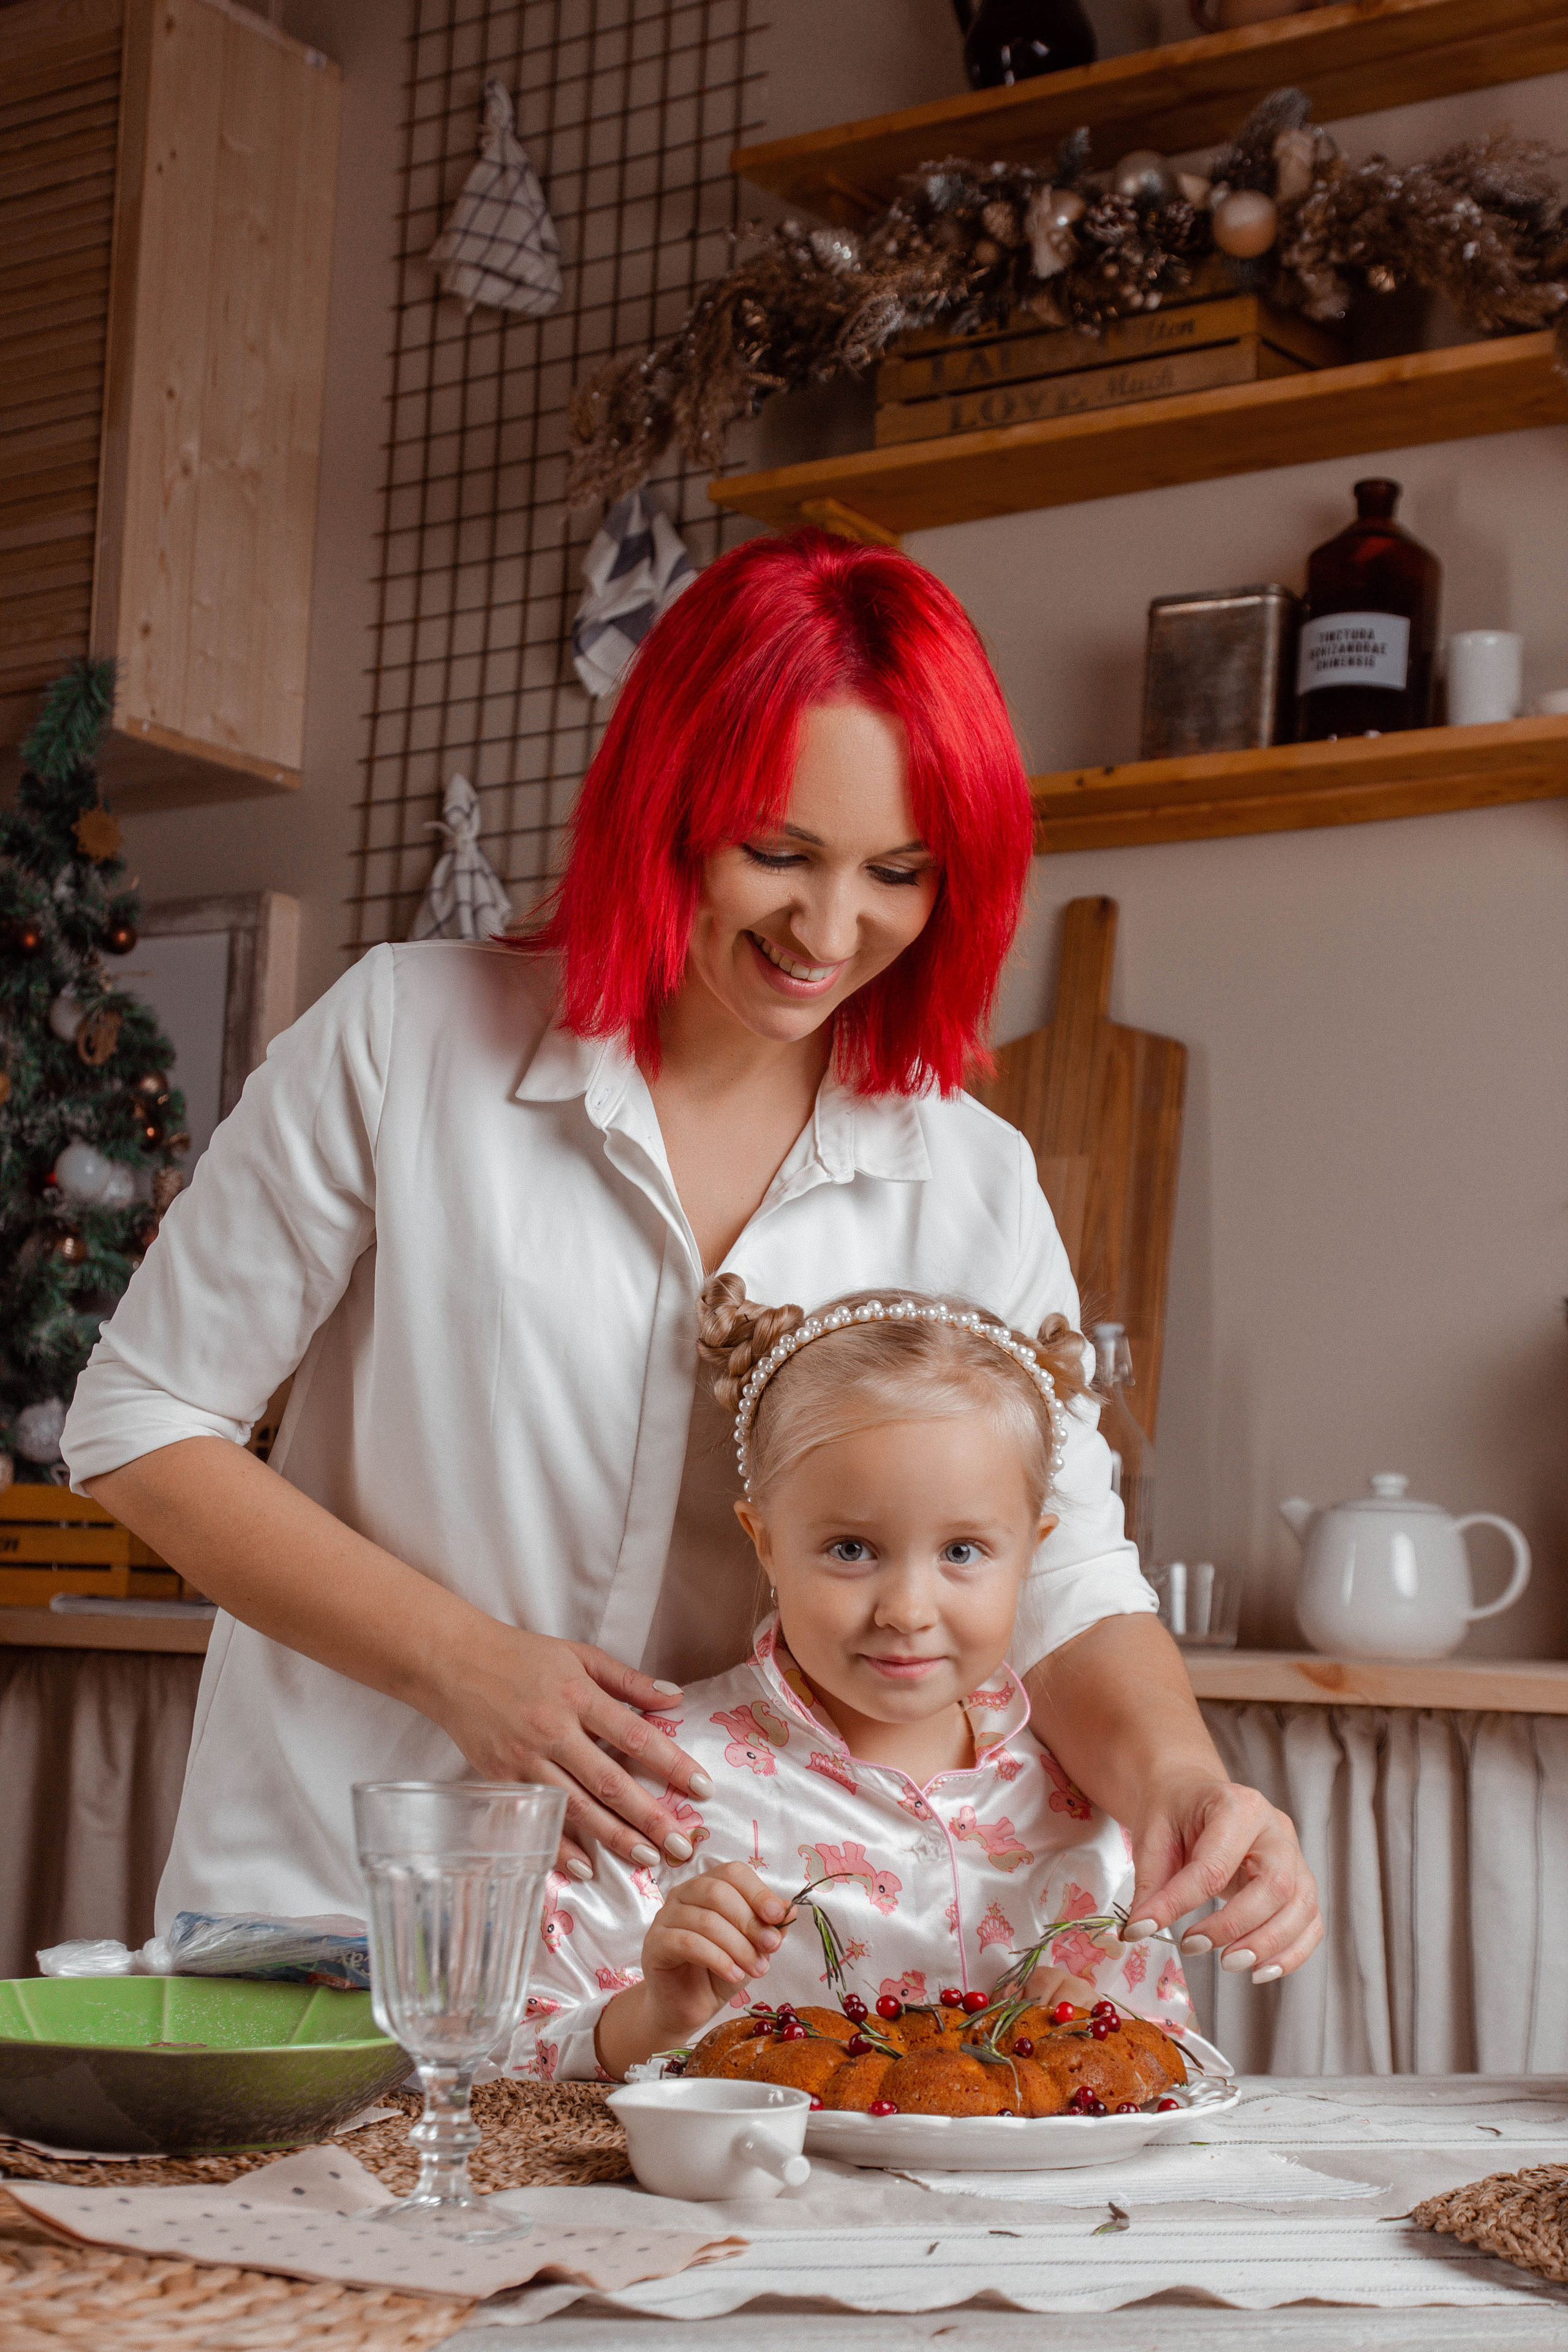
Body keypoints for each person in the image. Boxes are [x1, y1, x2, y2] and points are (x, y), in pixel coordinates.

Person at [64, 529, 1317, 1980]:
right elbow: (142, 1423)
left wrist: (1176, 1783)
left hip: (713, 1964)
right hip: (344, 1907)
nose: (829, 929)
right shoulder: (402, 1036)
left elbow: (1057, 1570)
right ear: (664, 810)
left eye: (897, 873)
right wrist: (464, 1666)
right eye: (775, 853)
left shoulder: (968, 1173)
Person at [517, 1277, 1212, 2084]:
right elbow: (514, 2054)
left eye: (962, 1552)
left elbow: (1173, 2066)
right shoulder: (657, 1780)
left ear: (1031, 1549)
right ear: (767, 1542)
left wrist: (1088, 2028)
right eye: (852, 1549)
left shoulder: (1083, 1807)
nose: (908, 1610)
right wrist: (655, 2017)